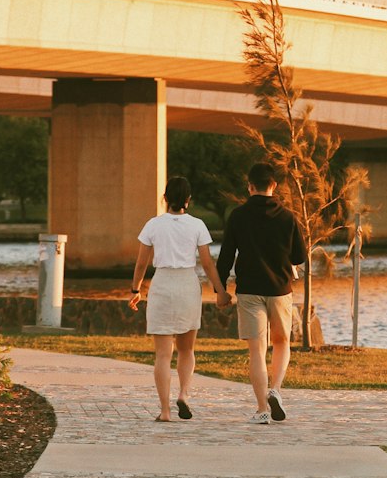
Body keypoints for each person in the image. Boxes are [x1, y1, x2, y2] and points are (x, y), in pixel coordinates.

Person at [129, 175, 225, 422]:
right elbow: (206, 263)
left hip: (162, 284)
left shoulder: (153, 224)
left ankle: (165, 410)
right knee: (186, 348)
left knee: (163, 354)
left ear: (165, 199)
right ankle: (183, 394)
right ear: (188, 200)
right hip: (186, 284)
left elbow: (141, 263)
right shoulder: (197, 225)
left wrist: (135, 290)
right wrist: (220, 291)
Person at [217, 161, 306, 424]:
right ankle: (275, 389)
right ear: (274, 186)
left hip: (249, 290)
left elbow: (225, 257)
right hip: (280, 290)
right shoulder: (289, 217)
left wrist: (220, 289)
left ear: (250, 186)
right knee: (282, 343)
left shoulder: (238, 215)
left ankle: (261, 409)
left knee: (256, 350)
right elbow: (299, 256)